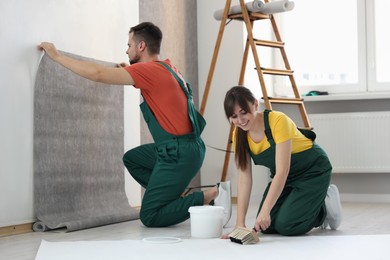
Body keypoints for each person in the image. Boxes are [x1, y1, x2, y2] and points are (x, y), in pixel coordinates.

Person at [38, 22, 231, 227]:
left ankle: (209, 195)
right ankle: (172, 195)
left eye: (129, 44)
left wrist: (56, 56)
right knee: (132, 159)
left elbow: (98, 74)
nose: (126, 49)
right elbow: (152, 87)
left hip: (178, 153)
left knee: (149, 216)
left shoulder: (148, 71)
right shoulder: (167, 68)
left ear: (141, 47)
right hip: (186, 148)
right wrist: (129, 73)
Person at [223, 86, 342, 236]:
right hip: (286, 178)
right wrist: (240, 224)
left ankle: (323, 206)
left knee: (287, 225)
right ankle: (307, 204)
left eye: (243, 113)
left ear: (254, 104)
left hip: (312, 171)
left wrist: (266, 210)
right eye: (233, 116)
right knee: (267, 226)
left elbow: (282, 171)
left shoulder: (278, 121)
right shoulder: (239, 135)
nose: (240, 120)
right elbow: (244, 180)